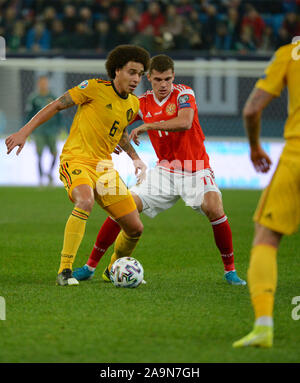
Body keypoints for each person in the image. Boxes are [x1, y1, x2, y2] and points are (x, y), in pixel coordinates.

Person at [73, 54, 246, 286]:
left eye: (167, 79)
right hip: (164, 172)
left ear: (173, 77)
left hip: (196, 169)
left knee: (213, 208)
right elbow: (118, 123)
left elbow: (184, 122)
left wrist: (147, 125)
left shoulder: (184, 94)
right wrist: (114, 140)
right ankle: (90, 266)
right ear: (149, 78)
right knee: (124, 206)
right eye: (157, 80)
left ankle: (230, 271)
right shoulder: (141, 102)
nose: (163, 85)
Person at [5, 45, 150, 286]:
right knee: (85, 200)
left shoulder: (133, 104)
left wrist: (134, 157)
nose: (136, 79)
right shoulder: (92, 87)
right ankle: (65, 271)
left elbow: (120, 132)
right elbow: (56, 105)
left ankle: (113, 269)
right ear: (117, 71)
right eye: (131, 72)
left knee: (135, 228)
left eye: (140, 74)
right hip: (76, 160)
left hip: (104, 169)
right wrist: (24, 132)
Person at [233, 41, 300, 348]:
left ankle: (263, 326)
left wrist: (255, 146)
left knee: (267, 238)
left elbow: (251, 109)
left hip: (296, 156)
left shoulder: (292, 53)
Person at [25, 75, 62, 185]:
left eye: (45, 82)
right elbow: (29, 115)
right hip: (39, 131)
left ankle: (50, 173)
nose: (43, 84)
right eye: (41, 82)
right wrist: (28, 130)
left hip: (52, 130)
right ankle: (41, 178)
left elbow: (59, 114)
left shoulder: (53, 96)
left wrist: (60, 127)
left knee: (55, 154)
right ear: (38, 84)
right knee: (39, 155)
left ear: (47, 84)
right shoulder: (34, 98)